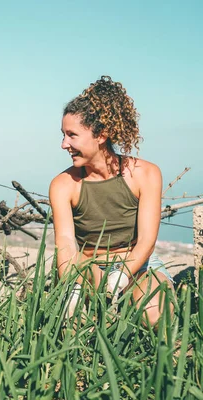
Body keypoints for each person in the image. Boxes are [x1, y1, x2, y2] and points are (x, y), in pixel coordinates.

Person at [49, 76, 173, 326]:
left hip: (138, 264)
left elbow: (147, 241)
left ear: (101, 134)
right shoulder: (62, 185)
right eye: (63, 135)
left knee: (156, 315)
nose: (64, 144)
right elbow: (64, 243)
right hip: (86, 267)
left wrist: (122, 275)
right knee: (78, 323)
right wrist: (72, 285)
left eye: (72, 135)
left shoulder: (145, 174)